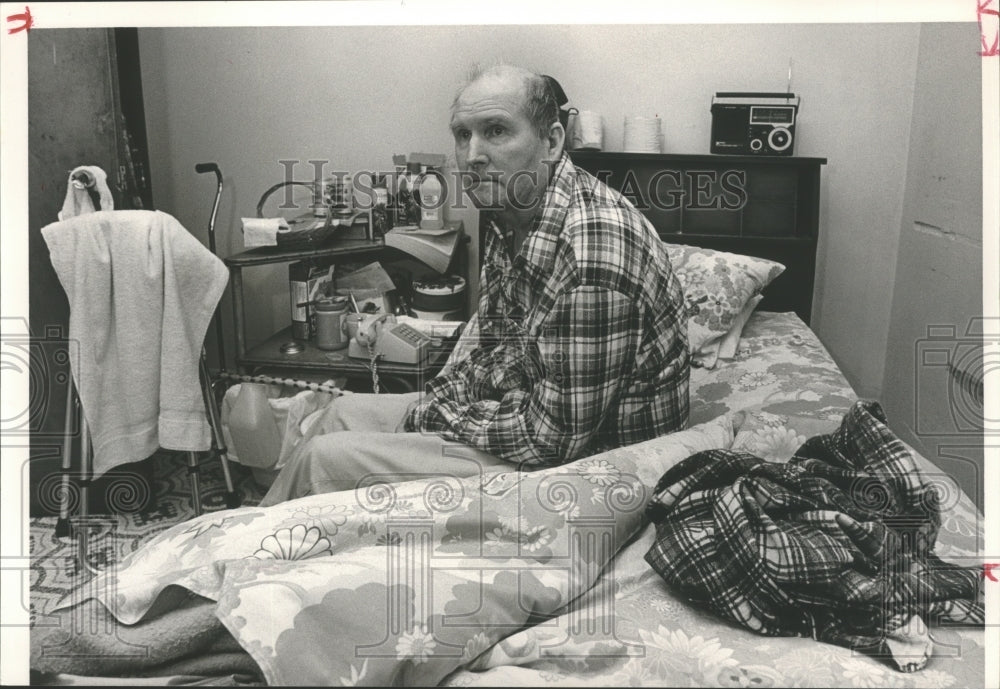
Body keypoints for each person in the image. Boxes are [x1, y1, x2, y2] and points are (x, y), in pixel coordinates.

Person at [259, 63, 689, 506]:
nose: (471, 155)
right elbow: (497, 346)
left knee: (322, 460)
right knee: (339, 412)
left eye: (496, 131)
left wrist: (436, 414)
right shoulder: (509, 215)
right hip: (529, 414)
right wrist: (443, 403)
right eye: (463, 135)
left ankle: (240, 560)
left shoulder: (593, 258)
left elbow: (551, 442)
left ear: (553, 142)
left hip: (591, 469)